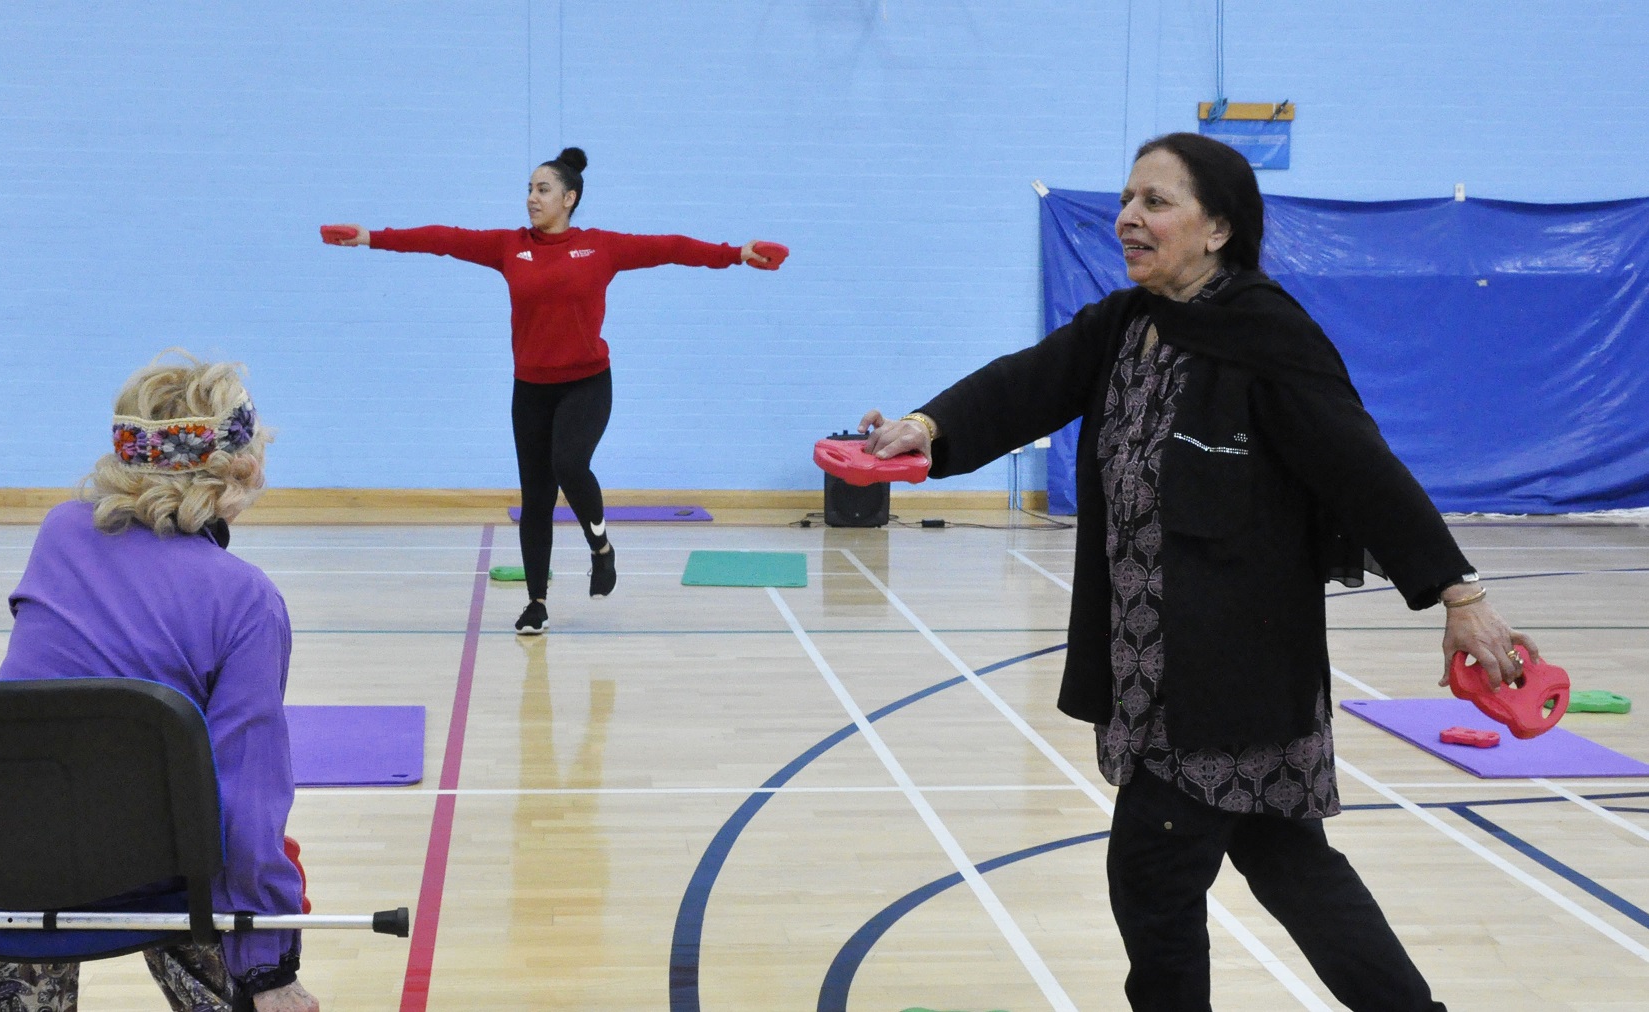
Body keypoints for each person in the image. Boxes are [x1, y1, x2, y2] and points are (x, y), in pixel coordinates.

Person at [859, 133, 1532, 1012]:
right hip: (1154, 670)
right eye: (1127, 199)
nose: (1128, 219)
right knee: (1290, 866)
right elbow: (1023, 383)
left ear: (1217, 228)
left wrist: (1460, 594)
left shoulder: (1269, 338)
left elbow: (1363, 470)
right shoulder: (1128, 325)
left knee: (1151, 880)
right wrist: (928, 425)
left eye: (1156, 202)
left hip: (1228, 680)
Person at [326, 147, 780, 634]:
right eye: (528, 189)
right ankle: (536, 603)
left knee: (569, 463)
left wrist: (735, 254)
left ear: (569, 197)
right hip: (532, 390)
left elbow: (670, 247)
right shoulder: (509, 247)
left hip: (587, 383)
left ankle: (601, 547)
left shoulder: (601, 247)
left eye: (542, 189)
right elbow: (444, 239)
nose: (531, 198)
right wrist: (372, 238)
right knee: (536, 499)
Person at [0, 354, 318, 1012]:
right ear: (243, 467)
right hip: (143, 858)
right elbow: (245, 809)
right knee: (192, 846)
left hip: (3, 853)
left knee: (72, 819)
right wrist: (267, 966)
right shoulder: (248, 600)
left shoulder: (60, 532)